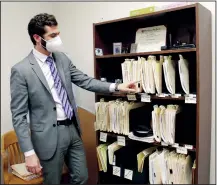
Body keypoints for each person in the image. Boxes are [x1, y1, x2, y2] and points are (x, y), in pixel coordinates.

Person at [10, 13, 137, 184]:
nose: (58, 39)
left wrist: (116, 87)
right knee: (52, 181)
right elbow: (18, 116)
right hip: (47, 136)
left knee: (81, 177)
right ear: (37, 38)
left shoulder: (62, 59)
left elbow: (85, 80)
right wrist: (29, 153)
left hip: (72, 129)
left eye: (58, 34)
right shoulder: (21, 70)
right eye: (53, 36)